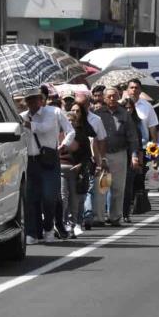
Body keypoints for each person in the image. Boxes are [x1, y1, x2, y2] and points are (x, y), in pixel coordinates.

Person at [20, 87, 75, 244]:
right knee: (31, 198)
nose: (32, 102)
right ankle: (33, 232)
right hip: (30, 161)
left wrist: (64, 144)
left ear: (41, 99)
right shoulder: (22, 117)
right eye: (29, 100)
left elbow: (53, 128)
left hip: (49, 160)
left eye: (35, 98)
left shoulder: (53, 112)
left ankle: (49, 227)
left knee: (49, 196)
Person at [93, 87, 140, 226]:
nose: (112, 99)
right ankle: (99, 218)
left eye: (114, 96)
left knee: (118, 188)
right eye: (109, 96)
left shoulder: (124, 114)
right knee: (101, 187)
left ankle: (115, 217)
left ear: (118, 97)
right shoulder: (98, 114)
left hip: (119, 154)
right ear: (104, 98)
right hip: (103, 154)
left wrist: (134, 155)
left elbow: (132, 137)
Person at [61, 101, 103, 237]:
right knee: (63, 197)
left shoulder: (83, 134)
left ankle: (76, 222)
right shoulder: (60, 135)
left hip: (78, 170)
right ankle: (63, 223)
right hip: (63, 169)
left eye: (72, 120)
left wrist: (86, 165)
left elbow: (88, 153)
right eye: (67, 121)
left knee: (77, 198)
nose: (70, 122)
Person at [120, 97, 142, 223]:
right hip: (118, 156)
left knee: (127, 187)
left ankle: (125, 213)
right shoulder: (117, 122)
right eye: (125, 108)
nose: (128, 110)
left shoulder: (137, 125)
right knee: (115, 187)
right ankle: (114, 212)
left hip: (131, 158)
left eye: (130, 108)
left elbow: (141, 144)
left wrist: (139, 160)